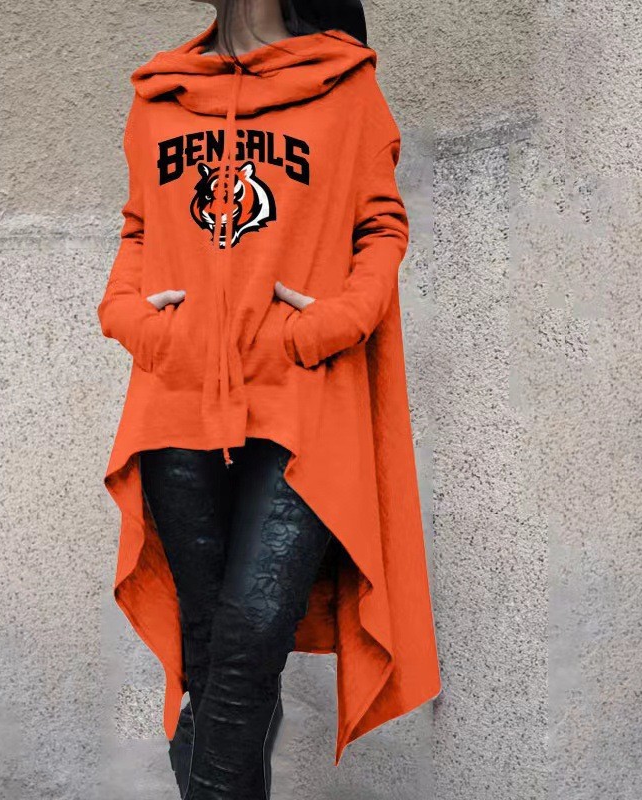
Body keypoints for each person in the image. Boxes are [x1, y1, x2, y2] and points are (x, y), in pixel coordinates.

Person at [97, 2, 442, 798]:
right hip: (177, 407)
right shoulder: (159, 96)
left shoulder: (345, 86)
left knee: (250, 640)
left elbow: (381, 227)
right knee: (210, 652)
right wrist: (129, 318)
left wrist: (332, 324)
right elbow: (139, 229)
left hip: (301, 406)